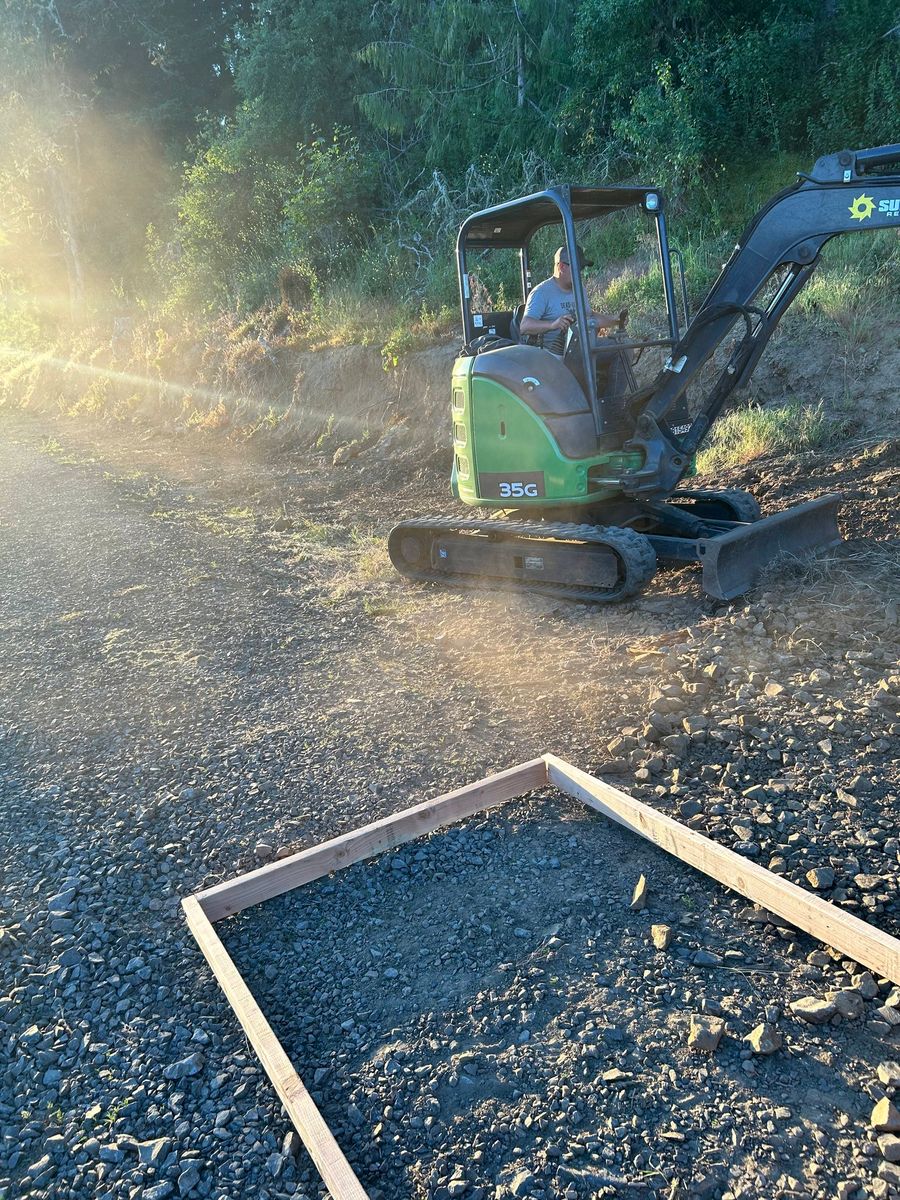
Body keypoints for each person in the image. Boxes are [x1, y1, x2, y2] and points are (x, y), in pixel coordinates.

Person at [519, 245, 621, 355]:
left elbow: (589, 316)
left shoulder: (579, 289)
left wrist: (616, 320)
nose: (581, 273)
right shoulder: (542, 292)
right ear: (562, 267)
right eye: (578, 269)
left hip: (581, 347)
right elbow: (525, 326)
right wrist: (553, 324)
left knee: (623, 348)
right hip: (553, 354)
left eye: (582, 269)